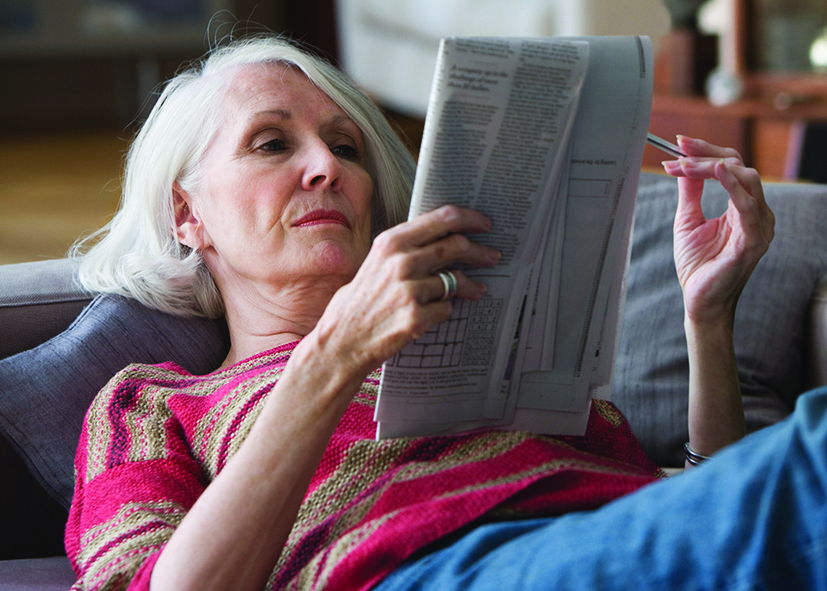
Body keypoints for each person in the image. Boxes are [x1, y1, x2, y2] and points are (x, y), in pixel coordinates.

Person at [63, 34, 824, 591]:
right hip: (439, 569)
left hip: (617, 541)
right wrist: (334, 355)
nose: (327, 166)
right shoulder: (152, 402)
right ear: (186, 212)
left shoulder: (490, 348)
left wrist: (709, 316)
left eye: (347, 148)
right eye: (270, 143)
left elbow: (700, 507)